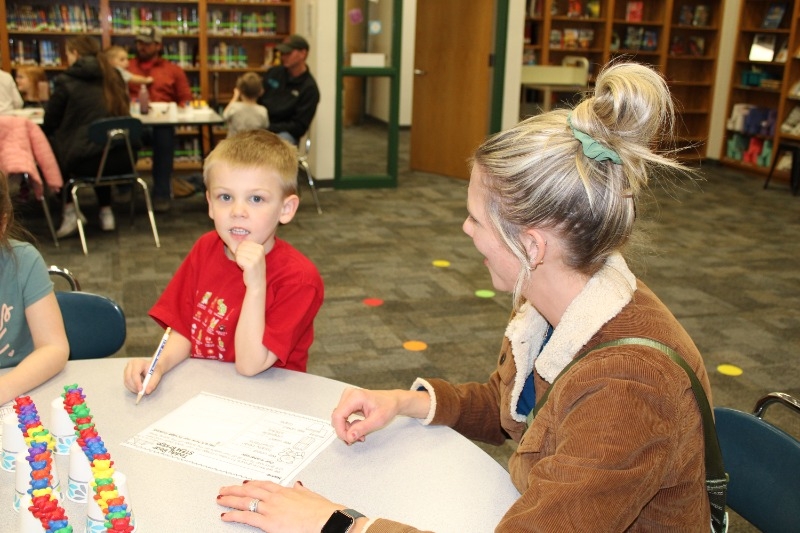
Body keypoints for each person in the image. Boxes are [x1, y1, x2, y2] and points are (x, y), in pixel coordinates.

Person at [217, 63, 715, 531]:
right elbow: (511, 408)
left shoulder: (628, 387)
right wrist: (405, 402)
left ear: (531, 246)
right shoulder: (554, 296)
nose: (465, 228)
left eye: (476, 218)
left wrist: (336, 523)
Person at [123, 130, 324, 398]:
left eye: (256, 199)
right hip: (207, 394)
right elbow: (185, 329)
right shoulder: (206, 248)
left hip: (270, 402)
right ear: (209, 204)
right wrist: (159, 365)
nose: (237, 211)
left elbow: (251, 365)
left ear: (285, 209)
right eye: (225, 197)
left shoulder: (299, 279)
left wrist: (255, 287)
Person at [42, 35, 133, 237]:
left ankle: (69, 210)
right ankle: (106, 211)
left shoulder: (66, 81)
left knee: (53, 145)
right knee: (101, 144)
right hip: (123, 158)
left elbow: (50, 122)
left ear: (75, 54)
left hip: (86, 162)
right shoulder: (115, 75)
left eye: (67, 54)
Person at [0, 171, 69, 406]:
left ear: (3, 223)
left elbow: (54, 347)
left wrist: (4, 388)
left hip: (19, 389)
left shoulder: (23, 262)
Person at [127, 26, 193, 213]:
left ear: (158, 45)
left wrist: (175, 110)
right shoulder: (127, 68)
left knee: (164, 136)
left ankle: (162, 194)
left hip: (161, 124)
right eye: (139, 43)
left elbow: (186, 98)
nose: (142, 47)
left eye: (147, 44)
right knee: (122, 136)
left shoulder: (173, 70)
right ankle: (124, 188)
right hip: (134, 123)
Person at [258, 34, 320, 145]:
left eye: (288, 53)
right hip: (260, 126)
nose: (283, 57)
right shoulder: (273, 73)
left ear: (303, 54)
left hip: (284, 134)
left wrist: (267, 127)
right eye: (282, 53)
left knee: (279, 144)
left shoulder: (309, 89)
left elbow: (299, 127)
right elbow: (257, 99)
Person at [223, 72, 268, 138]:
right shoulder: (262, 110)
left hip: (233, 146)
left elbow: (224, 116)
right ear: (260, 91)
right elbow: (265, 127)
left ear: (240, 90)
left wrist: (235, 97)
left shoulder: (234, 107)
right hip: (254, 146)